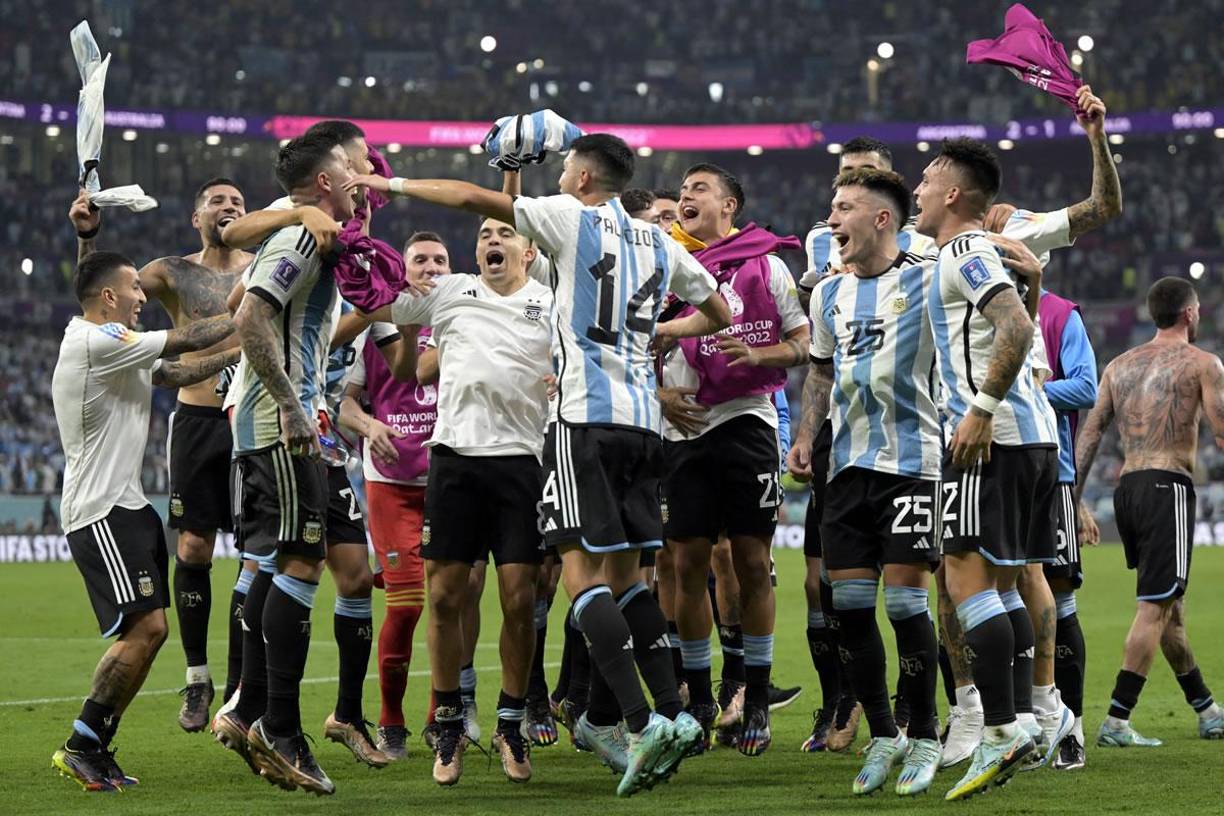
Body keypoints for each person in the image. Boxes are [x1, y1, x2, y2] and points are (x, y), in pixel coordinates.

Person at [345, 131, 732, 796]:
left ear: (582, 177)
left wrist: (391, 186)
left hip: (579, 427)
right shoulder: (659, 243)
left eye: (567, 170)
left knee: (579, 580)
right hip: (642, 425)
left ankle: (637, 722)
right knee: (631, 579)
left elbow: (471, 196)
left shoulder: (572, 228)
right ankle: (674, 712)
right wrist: (652, 339)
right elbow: (720, 311)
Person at [938, 85, 1120, 770]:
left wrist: (1095, 133)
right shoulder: (929, 247)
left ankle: (1023, 711)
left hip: (1004, 433)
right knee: (997, 576)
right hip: (989, 432)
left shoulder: (991, 240)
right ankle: (1019, 710)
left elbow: (1103, 209)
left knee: (1005, 577)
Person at [358, 216, 552, 785]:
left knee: (519, 600)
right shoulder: (450, 291)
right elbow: (380, 305)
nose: (492, 241)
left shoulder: (551, 299)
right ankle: (447, 723)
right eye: (485, 234)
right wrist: (361, 239)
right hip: (455, 459)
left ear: (529, 249)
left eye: (504, 234)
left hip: (521, 460)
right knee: (444, 595)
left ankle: (510, 724)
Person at [71, 178, 257, 731]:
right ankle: (197, 680)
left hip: (250, 418)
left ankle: (242, 690)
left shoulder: (263, 264)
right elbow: (97, 299)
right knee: (195, 548)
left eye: (239, 203)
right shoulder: (171, 270)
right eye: (218, 202)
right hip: (198, 419)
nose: (230, 208)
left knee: (255, 558)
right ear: (195, 215)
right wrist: (89, 237)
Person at [51, 249, 238, 791]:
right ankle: (82, 743)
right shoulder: (95, 341)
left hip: (128, 507)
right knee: (147, 628)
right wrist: (253, 310)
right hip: (99, 511)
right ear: (109, 297)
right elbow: (181, 341)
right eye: (135, 289)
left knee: (153, 632)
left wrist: (234, 354)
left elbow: (176, 371)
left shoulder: (115, 347)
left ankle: (96, 744)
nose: (143, 298)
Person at [789, 167, 945, 795]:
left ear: (883, 219)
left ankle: (926, 734)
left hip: (912, 466)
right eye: (831, 207)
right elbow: (822, 374)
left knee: (907, 604)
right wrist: (804, 436)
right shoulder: (827, 294)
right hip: (846, 469)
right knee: (846, 608)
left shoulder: (931, 280)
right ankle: (883, 734)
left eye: (844, 208)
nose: (831, 220)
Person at [914, 137, 1058, 801]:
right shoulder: (977, 252)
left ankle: (999, 728)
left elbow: (1017, 328)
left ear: (952, 194)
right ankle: (1024, 718)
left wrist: (977, 409)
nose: (915, 190)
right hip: (1027, 439)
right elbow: (1017, 312)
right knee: (999, 584)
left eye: (924, 180)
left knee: (964, 576)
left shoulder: (964, 249)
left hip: (987, 439)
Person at [217, 132, 356, 795]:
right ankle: (281, 726)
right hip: (282, 425)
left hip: (273, 422)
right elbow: (249, 316)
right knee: (302, 559)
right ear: (325, 181)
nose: (362, 178)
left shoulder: (306, 229)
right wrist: (292, 407)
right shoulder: (302, 237)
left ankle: (251, 711)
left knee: (280, 561)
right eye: (352, 168)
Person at [660, 162, 808, 754]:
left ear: (729, 207)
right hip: (682, 428)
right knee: (688, 566)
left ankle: (754, 693)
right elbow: (632, 341)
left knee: (750, 561)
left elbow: (803, 344)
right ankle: (699, 701)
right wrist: (658, 394)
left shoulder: (765, 264)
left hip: (747, 419)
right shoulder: (662, 262)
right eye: (682, 191)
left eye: (698, 189)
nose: (685, 198)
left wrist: (760, 355)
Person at [1075, 277, 1224, 747]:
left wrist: (1074, 498)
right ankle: (1117, 719)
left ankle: (1207, 711)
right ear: (1189, 314)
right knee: (1155, 608)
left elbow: (1092, 432)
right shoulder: (1203, 363)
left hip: (1128, 489)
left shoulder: (1119, 365)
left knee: (1169, 612)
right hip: (1167, 489)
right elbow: (1221, 431)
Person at [337, 231, 449, 760]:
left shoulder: (465, 321)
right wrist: (368, 424)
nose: (431, 266)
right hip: (392, 486)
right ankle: (391, 721)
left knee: (453, 605)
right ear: (402, 270)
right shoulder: (376, 326)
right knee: (405, 607)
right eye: (421, 259)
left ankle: (441, 718)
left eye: (440, 259)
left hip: (452, 483)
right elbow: (344, 404)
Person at [1033, 285, 1098, 770]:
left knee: (1058, 599)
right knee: (985, 597)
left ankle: (1070, 727)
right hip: (987, 471)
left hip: (1049, 474)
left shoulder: (1058, 315)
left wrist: (1028, 389)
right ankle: (1010, 724)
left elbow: (1085, 386)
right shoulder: (963, 298)